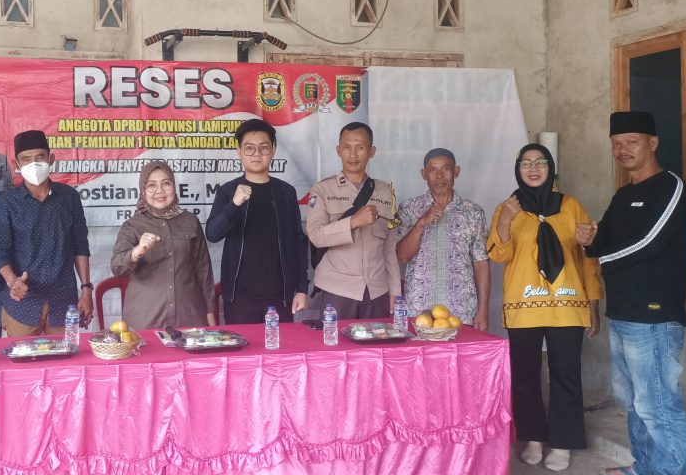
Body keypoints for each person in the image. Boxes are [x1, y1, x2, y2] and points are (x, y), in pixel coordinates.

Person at [577, 111, 686, 475]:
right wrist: (590, 241)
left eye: (631, 141)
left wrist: (602, 257)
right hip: (624, 313)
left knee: (658, 403)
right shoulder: (622, 195)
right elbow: (605, 244)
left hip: (655, 316)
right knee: (633, 399)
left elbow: (650, 243)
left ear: (653, 143)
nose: (622, 150)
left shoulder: (672, 188)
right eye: (616, 143)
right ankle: (647, 467)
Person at [486, 143, 602, 472]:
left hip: (567, 305)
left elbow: (588, 259)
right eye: (526, 163)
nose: (533, 168)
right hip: (523, 306)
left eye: (540, 162)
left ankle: (563, 442)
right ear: (518, 169)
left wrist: (593, 304)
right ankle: (533, 438)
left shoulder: (571, 206)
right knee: (525, 375)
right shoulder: (508, 207)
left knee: (566, 374)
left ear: (551, 168)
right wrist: (505, 221)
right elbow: (498, 255)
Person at [0, 130, 92, 336]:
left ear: (51, 159)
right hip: (23, 304)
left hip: (63, 301)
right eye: (26, 159)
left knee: (66, 355)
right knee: (22, 356)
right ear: (16, 164)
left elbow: (80, 244)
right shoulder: (7, 203)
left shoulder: (69, 197)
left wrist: (87, 290)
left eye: (40, 157)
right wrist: (12, 281)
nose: (33, 164)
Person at [206, 119, 308, 324]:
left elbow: (298, 241)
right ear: (239, 151)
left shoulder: (286, 192)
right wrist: (234, 204)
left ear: (273, 150)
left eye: (263, 148)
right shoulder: (228, 191)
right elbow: (212, 234)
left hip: (280, 295)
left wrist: (302, 288)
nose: (256, 154)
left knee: (280, 344)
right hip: (239, 296)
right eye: (249, 148)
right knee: (242, 345)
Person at [306, 122, 400, 320]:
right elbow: (316, 236)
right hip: (337, 290)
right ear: (338, 151)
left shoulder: (385, 192)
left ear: (372, 151)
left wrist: (395, 291)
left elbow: (389, 248)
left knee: (377, 340)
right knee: (336, 341)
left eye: (360, 147)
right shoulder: (322, 190)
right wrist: (353, 222)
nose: (353, 154)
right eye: (347, 147)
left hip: (377, 291)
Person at [110, 160, 216, 329]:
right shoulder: (132, 225)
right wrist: (137, 251)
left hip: (189, 316)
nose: (159, 191)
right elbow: (117, 267)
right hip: (145, 320)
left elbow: (204, 270)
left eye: (166, 183)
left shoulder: (190, 221)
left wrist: (210, 312)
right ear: (143, 190)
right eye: (151, 185)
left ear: (174, 186)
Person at [397, 148, 490, 329]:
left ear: (456, 171)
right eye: (432, 170)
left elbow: (481, 263)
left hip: (461, 311)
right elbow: (402, 256)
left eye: (445, 169)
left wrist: (483, 311)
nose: (439, 176)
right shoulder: (408, 208)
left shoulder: (473, 212)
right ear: (424, 174)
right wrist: (421, 223)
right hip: (419, 310)